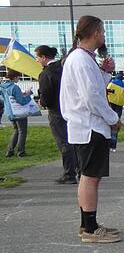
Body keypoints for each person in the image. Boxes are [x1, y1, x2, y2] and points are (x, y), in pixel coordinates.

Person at [60, 15, 122, 243]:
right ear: (95, 32)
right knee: (89, 177)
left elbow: (92, 88)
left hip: (86, 126)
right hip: (89, 126)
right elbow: (91, 97)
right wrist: (112, 118)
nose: (104, 36)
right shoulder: (81, 60)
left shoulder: (83, 58)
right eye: (103, 32)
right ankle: (90, 228)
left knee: (89, 177)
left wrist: (104, 73)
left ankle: (88, 223)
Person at [35, 45, 78, 183]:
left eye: (37, 57)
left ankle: (69, 173)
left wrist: (42, 101)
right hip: (71, 108)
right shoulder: (64, 68)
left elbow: (46, 97)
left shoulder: (46, 74)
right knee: (74, 140)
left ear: (43, 57)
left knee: (64, 142)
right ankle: (81, 170)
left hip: (56, 111)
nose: (37, 60)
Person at [2, 69, 32, 158]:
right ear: (14, 77)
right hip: (18, 112)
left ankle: (10, 151)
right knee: (22, 131)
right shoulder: (14, 87)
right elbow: (21, 101)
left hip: (9, 112)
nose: (18, 79)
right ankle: (21, 151)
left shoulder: (3, 86)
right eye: (18, 77)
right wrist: (29, 95)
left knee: (16, 130)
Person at [105, 72, 124, 152]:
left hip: (111, 102)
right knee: (116, 120)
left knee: (110, 121)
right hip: (119, 104)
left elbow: (107, 91)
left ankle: (109, 145)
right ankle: (113, 146)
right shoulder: (122, 85)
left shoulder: (111, 83)